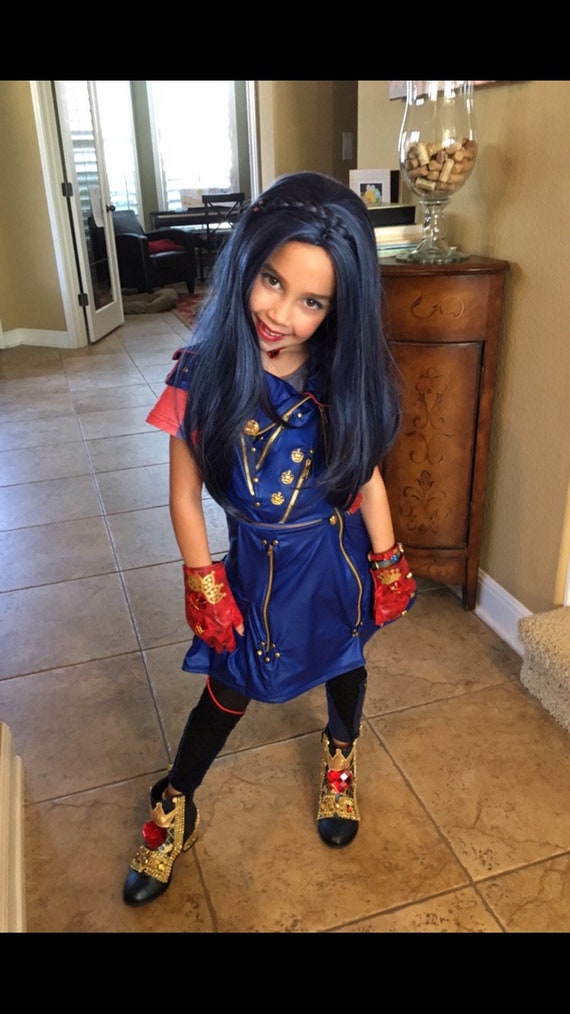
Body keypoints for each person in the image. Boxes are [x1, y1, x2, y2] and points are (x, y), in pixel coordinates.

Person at [123, 171, 417, 907]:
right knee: (229, 683)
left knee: (346, 657)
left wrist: (387, 560)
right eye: (272, 281)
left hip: (337, 558)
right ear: (247, 261)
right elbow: (183, 497)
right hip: (256, 567)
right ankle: (176, 800)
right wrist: (203, 580)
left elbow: (368, 478)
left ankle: (341, 755)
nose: (281, 314)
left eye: (312, 301)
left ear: (338, 308)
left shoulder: (338, 375)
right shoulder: (202, 373)